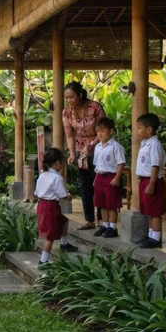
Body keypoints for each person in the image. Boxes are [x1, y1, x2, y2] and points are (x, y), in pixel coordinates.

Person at [62, 82, 107, 231]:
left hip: (100, 148)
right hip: (82, 151)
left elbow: (104, 129)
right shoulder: (66, 112)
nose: (69, 100)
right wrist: (72, 153)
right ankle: (89, 219)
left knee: (99, 184)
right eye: (66, 98)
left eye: (71, 97)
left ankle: (101, 218)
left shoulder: (95, 107)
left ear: (80, 95)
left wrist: (93, 144)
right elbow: (69, 135)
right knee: (85, 186)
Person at [35, 148, 79, 266]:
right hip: (51, 206)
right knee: (50, 235)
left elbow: (37, 192)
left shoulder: (42, 176)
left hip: (42, 204)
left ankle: (64, 244)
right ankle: (43, 260)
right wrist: (69, 196)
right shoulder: (57, 178)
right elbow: (63, 195)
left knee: (64, 221)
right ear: (58, 162)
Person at [136, 113, 166, 249]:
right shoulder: (145, 143)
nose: (137, 131)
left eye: (139, 128)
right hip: (145, 180)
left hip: (152, 180)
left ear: (149, 129)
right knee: (149, 210)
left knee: (155, 211)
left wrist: (152, 184)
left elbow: (155, 166)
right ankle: (150, 235)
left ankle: (156, 238)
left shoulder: (154, 144)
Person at [92, 118, 125, 239]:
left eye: (103, 131)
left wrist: (117, 178)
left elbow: (121, 163)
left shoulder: (116, 146)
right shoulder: (98, 147)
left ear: (111, 131)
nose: (100, 134)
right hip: (100, 176)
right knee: (102, 204)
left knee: (112, 204)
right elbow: (97, 165)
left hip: (111, 177)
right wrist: (96, 179)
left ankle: (112, 227)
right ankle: (104, 226)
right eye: (98, 131)